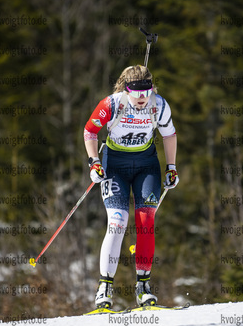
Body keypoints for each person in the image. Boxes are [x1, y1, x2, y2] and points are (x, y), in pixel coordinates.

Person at [83, 65, 179, 308]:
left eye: (146, 92)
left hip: (146, 165)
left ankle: (143, 287)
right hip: (115, 166)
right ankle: (104, 288)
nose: (141, 99)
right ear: (125, 90)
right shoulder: (112, 104)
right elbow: (90, 131)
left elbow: (169, 135)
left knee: (146, 221)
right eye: (136, 93)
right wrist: (94, 163)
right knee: (117, 222)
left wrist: (171, 167)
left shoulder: (159, 105)